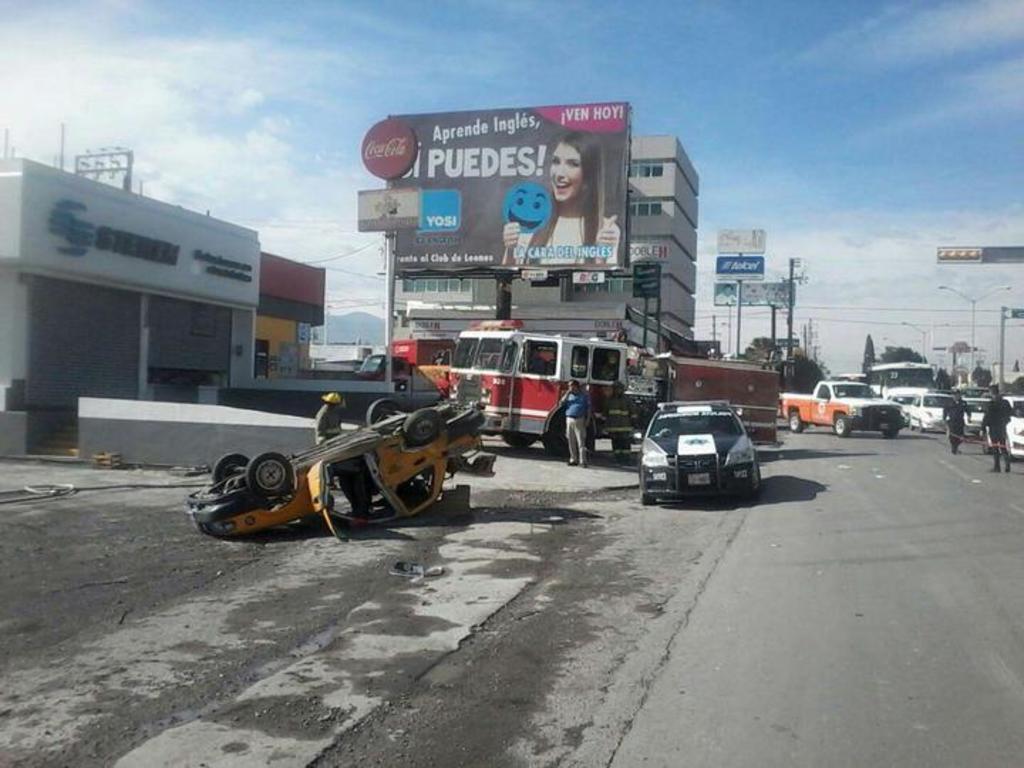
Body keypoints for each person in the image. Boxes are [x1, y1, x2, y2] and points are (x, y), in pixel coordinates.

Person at [502, 132, 620, 266]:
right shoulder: (531, 222)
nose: (559, 174)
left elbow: (603, 277)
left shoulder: (605, 229)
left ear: (589, 175)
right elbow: (509, 274)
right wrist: (510, 248)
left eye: (573, 164)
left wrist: (601, 257)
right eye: (556, 162)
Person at [982, 384, 1012, 472]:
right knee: (1003, 447)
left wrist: (983, 427)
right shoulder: (1005, 402)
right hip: (1002, 427)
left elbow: (987, 416)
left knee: (995, 448)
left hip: (993, 428)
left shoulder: (991, 403)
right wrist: (1005, 422)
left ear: (991, 392)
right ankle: (1007, 465)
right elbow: (1010, 413)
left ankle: (997, 467)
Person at [561, 379, 591, 467]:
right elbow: (561, 403)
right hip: (569, 419)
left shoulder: (584, 396)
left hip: (579, 419)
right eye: (569, 386)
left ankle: (583, 461)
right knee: (571, 440)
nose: (569, 387)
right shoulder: (569, 395)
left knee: (581, 441)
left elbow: (588, 408)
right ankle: (573, 459)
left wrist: (588, 419)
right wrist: (567, 393)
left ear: (576, 386)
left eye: (571, 385)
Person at [604, 381, 634, 465]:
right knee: (616, 444)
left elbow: (633, 412)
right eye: (616, 389)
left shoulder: (627, 399)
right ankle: (618, 459)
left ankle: (626, 459)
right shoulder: (609, 400)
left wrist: (634, 422)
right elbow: (605, 413)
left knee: (625, 444)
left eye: (619, 389)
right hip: (614, 427)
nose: (617, 391)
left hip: (625, 427)